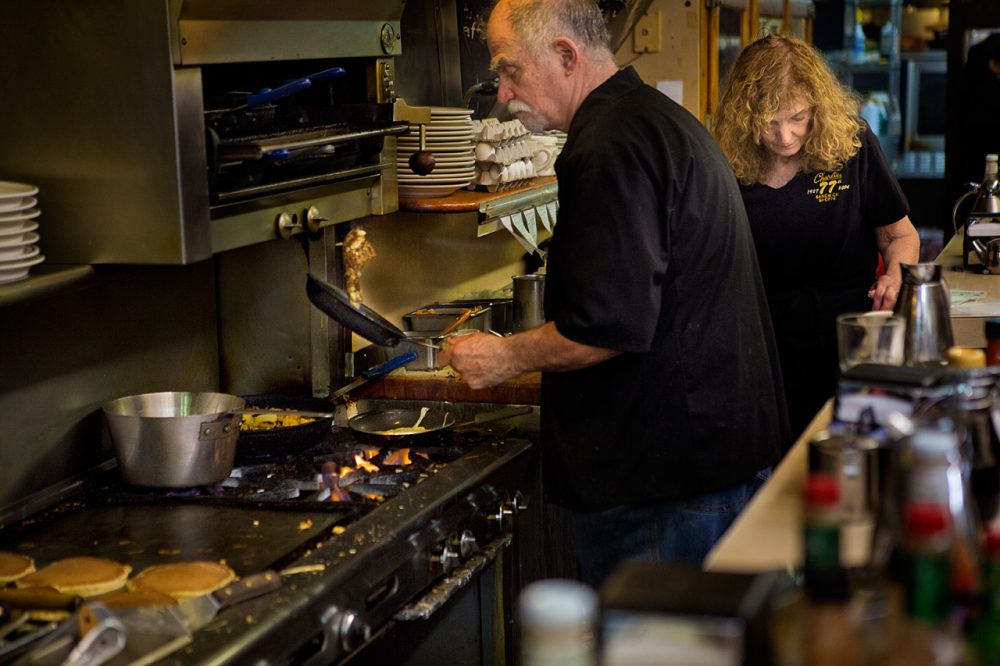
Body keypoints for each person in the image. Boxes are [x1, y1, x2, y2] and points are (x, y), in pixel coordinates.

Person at [438, 0, 789, 588]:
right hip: (708, 465)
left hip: (666, 493)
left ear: (565, 55)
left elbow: (606, 326)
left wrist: (502, 356)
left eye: (509, 68)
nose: (501, 92)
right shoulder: (654, 119)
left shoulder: (609, 145)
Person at [713, 34, 920, 440]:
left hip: (849, 336)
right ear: (744, 115)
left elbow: (898, 234)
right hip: (763, 342)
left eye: (797, 118)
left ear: (818, 108)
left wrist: (895, 276)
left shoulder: (852, 145)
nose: (786, 136)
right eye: (768, 122)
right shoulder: (724, 159)